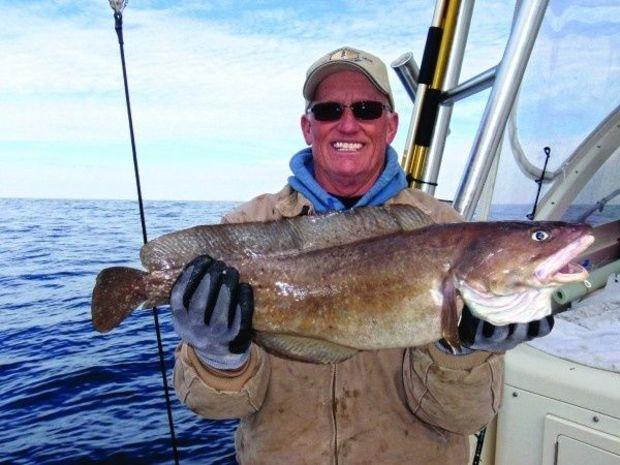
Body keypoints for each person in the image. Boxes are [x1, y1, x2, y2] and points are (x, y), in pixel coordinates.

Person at [171, 47, 554, 465]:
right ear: (307, 126)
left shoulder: (443, 227)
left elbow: (464, 417)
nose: (348, 124)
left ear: (390, 126)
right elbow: (217, 408)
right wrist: (217, 355)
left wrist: (462, 353)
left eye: (367, 109)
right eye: (329, 110)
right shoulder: (246, 226)